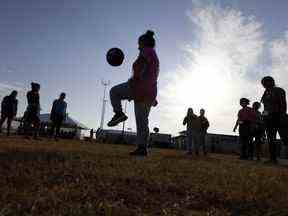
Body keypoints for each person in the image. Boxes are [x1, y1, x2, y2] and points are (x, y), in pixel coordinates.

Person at [107, 30, 159, 156]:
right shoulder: (154, 55)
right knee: (142, 121)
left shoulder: (146, 51)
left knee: (114, 92)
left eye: (139, 44)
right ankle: (142, 148)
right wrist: (153, 97)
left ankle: (119, 114)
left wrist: (135, 79)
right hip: (149, 92)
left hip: (138, 88)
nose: (138, 46)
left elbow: (141, 65)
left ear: (144, 43)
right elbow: (153, 76)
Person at [261, 76, 288, 164]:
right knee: (271, 139)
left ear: (272, 82)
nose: (265, 84)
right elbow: (265, 107)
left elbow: (283, 104)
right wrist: (264, 117)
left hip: (279, 116)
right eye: (264, 83)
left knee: (285, 138)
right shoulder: (265, 93)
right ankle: (273, 159)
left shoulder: (279, 90)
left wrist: (283, 116)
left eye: (267, 82)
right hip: (268, 119)